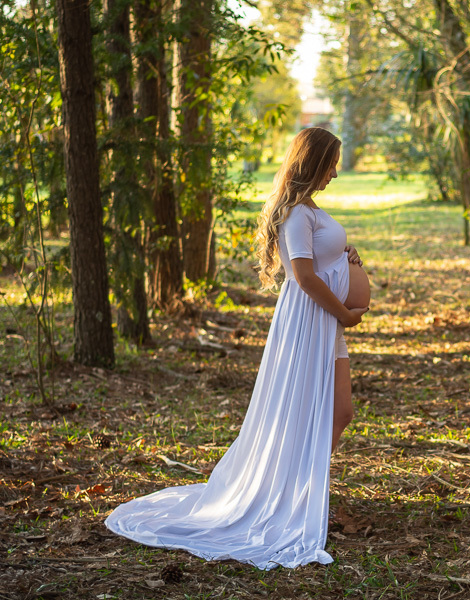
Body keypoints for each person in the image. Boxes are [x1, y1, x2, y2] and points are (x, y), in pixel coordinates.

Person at [105, 127, 367, 570]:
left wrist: (348, 257)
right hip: (309, 322)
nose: (336, 173)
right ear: (314, 162)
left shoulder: (310, 210)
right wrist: (343, 312)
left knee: (340, 411)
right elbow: (302, 277)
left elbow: (319, 262)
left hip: (323, 324)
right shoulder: (297, 215)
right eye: (331, 164)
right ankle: (290, 496)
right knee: (306, 411)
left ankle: (301, 489)